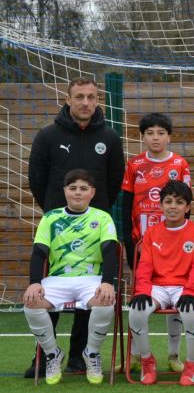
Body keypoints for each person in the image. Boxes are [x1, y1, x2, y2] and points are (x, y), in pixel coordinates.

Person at [26, 76, 125, 377]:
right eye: (79, 96)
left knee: (91, 289)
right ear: (68, 99)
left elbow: (114, 180)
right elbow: (36, 179)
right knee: (48, 288)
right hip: (58, 226)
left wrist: (96, 212)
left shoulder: (109, 137)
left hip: (94, 224)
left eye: (91, 97)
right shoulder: (47, 135)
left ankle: (80, 357)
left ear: (98, 100)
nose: (85, 102)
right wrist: (55, 213)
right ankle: (44, 357)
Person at [22, 169, 118, 385]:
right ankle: (52, 354)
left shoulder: (102, 217)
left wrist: (107, 282)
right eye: (73, 188)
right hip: (58, 279)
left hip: (91, 279)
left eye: (83, 188)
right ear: (65, 190)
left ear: (92, 192)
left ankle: (91, 353)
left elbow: (110, 252)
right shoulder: (50, 218)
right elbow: (38, 253)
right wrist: (34, 283)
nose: (78, 192)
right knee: (31, 302)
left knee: (105, 300)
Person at [122, 112, 192, 373]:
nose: (155, 138)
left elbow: (186, 205)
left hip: (173, 245)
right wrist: (130, 243)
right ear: (143, 137)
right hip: (142, 245)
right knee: (140, 297)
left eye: (161, 133)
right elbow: (126, 206)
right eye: (150, 133)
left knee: (175, 294)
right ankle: (136, 355)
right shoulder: (134, 165)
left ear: (169, 137)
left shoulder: (180, 164)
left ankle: (174, 355)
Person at [128, 180, 194, 386]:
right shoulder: (152, 232)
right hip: (158, 288)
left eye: (179, 202)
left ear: (188, 207)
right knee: (136, 311)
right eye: (168, 201)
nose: (173, 206)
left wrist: (190, 291)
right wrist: (141, 290)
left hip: (186, 287)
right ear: (161, 205)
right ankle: (147, 361)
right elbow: (145, 264)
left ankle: (191, 365)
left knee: (191, 310)